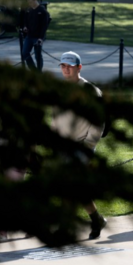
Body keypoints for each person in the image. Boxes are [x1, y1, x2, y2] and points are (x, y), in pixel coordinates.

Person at [53, 51, 107, 238]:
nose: (66, 69)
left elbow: (98, 123)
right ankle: (96, 219)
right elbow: (56, 118)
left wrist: (87, 145)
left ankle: (64, 227)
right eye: (63, 66)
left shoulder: (91, 91)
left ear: (79, 68)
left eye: (70, 66)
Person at [19, 0, 50, 71]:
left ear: (35, 0)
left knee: (38, 56)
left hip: (38, 37)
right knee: (25, 52)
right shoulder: (29, 10)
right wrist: (25, 27)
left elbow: (44, 26)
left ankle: (39, 71)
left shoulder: (43, 11)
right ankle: (33, 70)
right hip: (29, 36)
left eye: (31, 2)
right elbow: (25, 20)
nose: (30, 4)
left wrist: (41, 38)